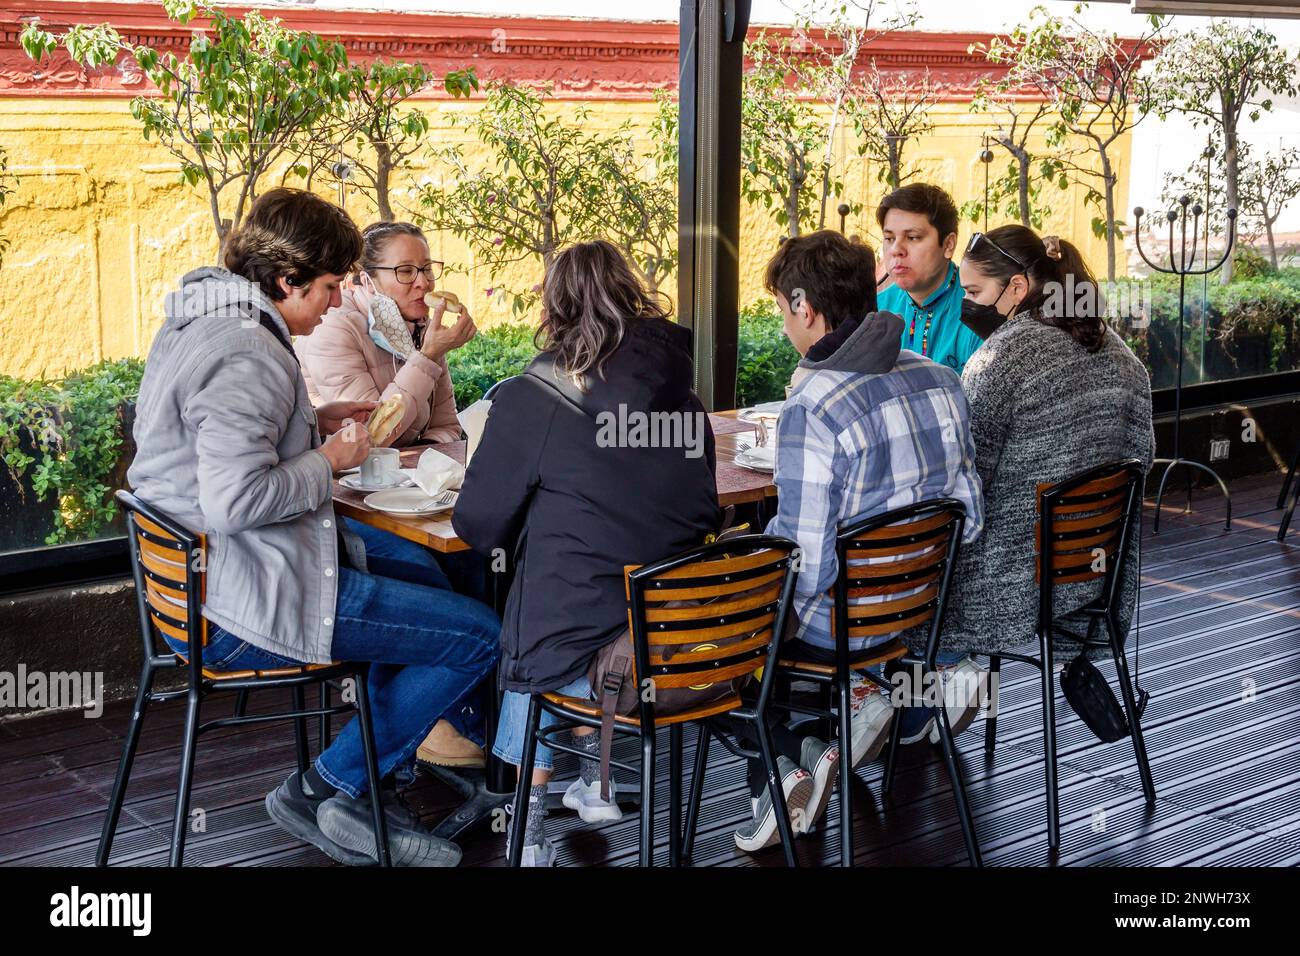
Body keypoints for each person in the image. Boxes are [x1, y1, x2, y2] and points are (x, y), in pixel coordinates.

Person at [127, 188, 500, 867]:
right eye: (329, 286)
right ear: (285, 278)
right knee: (480, 636)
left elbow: (225, 455)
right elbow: (238, 501)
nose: (336, 302)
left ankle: (376, 783)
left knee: (421, 570)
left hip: (208, 578)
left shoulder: (204, 318)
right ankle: (326, 785)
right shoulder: (248, 354)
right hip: (245, 598)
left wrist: (307, 428)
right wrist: (328, 460)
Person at [451, 240, 723, 866]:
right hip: (675, 636)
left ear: (553, 308)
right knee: (576, 576)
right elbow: (702, 507)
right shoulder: (682, 391)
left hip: (586, 650)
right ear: (633, 295)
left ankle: (530, 820)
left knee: (540, 604)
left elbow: (477, 523)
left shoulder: (536, 396)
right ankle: (595, 780)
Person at [733, 229, 983, 852]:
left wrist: (744, 558)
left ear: (804, 308)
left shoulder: (813, 404)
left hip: (841, 622)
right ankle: (865, 707)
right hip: (916, 609)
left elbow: (809, 567)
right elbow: (970, 517)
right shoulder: (940, 380)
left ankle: (788, 767)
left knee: (722, 643)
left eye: (782, 309)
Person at [927, 225, 1154, 739]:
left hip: (1008, 577)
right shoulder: (1120, 353)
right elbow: (1140, 463)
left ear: (1017, 288)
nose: (966, 304)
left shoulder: (1002, 358)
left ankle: (915, 708)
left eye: (973, 293)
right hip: (1091, 574)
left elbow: (963, 480)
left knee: (892, 571)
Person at [296, 220, 485, 769]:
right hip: (350, 509)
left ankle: (462, 716)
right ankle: (441, 722)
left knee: (481, 555)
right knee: (425, 573)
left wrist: (424, 447)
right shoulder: (337, 326)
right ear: (365, 279)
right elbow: (368, 437)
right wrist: (428, 358)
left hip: (413, 500)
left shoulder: (418, 328)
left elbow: (447, 429)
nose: (421, 283)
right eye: (404, 271)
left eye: (426, 269)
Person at [876, 183, 984, 375]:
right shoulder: (876, 310)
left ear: (948, 245)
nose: (896, 250)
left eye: (913, 237)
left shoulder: (978, 310)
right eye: (889, 238)